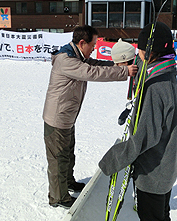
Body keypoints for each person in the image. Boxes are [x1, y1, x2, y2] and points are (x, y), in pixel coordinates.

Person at [99, 22, 177, 221]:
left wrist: (113, 159)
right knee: (162, 214)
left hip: (154, 172)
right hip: (169, 164)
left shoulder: (156, 87)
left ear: (145, 52)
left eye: (140, 48)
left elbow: (145, 136)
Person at [43, 25, 138, 209]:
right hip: (57, 119)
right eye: (92, 44)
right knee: (58, 159)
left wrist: (117, 65)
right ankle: (58, 197)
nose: (94, 48)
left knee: (68, 154)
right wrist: (124, 72)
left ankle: (68, 183)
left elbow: (95, 64)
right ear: (81, 42)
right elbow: (91, 72)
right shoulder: (67, 60)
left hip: (67, 117)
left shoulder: (77, 55)